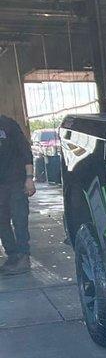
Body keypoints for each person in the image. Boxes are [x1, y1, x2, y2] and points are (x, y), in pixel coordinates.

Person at [0, 113, 35, 276]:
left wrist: (29, 178)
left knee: (19, 218)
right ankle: (13, 255)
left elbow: (24, 151)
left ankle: (23, 256)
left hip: (16, 180)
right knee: (2, 221)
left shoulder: (8, 124)